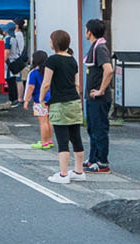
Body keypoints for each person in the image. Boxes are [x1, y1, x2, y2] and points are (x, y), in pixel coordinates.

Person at [45, 29, 87, 184]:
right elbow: (77, 83)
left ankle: (63, 175)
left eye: (51, 40)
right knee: (76, 137)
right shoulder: (72, 59)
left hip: (59, 103)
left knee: (62, 140)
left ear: (54, 43)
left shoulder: (52, 60)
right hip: (74, 101)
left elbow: (46, 83)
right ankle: (78, 171)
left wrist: (42, 98)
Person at [81, 17, 115, 174]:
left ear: (90, 31)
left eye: (86, 29)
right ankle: (93, 158)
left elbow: (108, 70)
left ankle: (102, 162)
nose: (85, 32)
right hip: (92, 97)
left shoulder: (100, 48)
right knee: (92, 128)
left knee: (99, 129)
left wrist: (101, 90)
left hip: (99, 97)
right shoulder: (96, 46)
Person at [26, 49, 54, 150]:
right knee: (49, 120)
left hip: (39, 99)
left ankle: (44, 142)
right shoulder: (49, 71)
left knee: (42, 122)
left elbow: (31, 87)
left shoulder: (34, 73)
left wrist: (26, 100)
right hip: (50, 98)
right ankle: (49, 140)